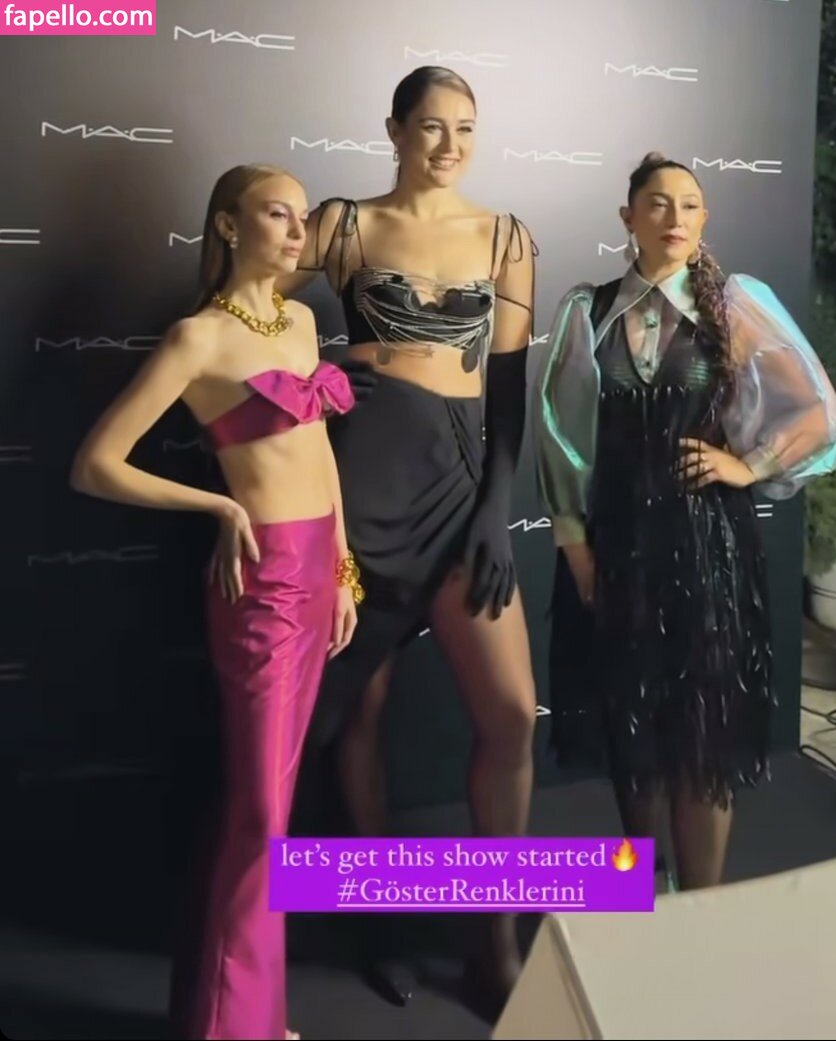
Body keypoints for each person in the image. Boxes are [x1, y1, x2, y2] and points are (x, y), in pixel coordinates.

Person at [70, 164, 360, 1040]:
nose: (298, 231)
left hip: (318, 569)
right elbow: (95, 465)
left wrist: (345, 566)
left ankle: (245, 1015)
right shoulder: (197, 339)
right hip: (260, 584)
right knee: (261, 811)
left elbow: (319, 451)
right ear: (229, 226)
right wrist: (219, 507)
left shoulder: (301, 322)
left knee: (274, 808)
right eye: (278, 214)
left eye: (303, 217)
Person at [278, 65, 537, 1014]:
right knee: (358, 713)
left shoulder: (506, 237)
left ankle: (495, 948)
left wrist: (496, 509)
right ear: (394, 131)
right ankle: (379, 922)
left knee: (511, 714)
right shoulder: (343, 225)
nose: (450, 144)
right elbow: (244, 303)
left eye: (465, 127)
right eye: (431, 126)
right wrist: (299, 380)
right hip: (362, 488)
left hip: (462, 491)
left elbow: (507, 392)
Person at [533, 151, 836, 891]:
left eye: (690, 205)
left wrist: (751, 463)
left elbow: (819, 413)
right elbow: (559, 436)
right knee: (631, 725)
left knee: (702, 734)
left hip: (710, 549)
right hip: (617, 547)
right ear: (628, 217)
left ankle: (703, 909)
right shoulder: (588, 311)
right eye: (658, 203)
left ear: (704, 220)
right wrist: (575, 547)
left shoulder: (731, 306)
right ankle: (641, 889)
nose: (675, 217)